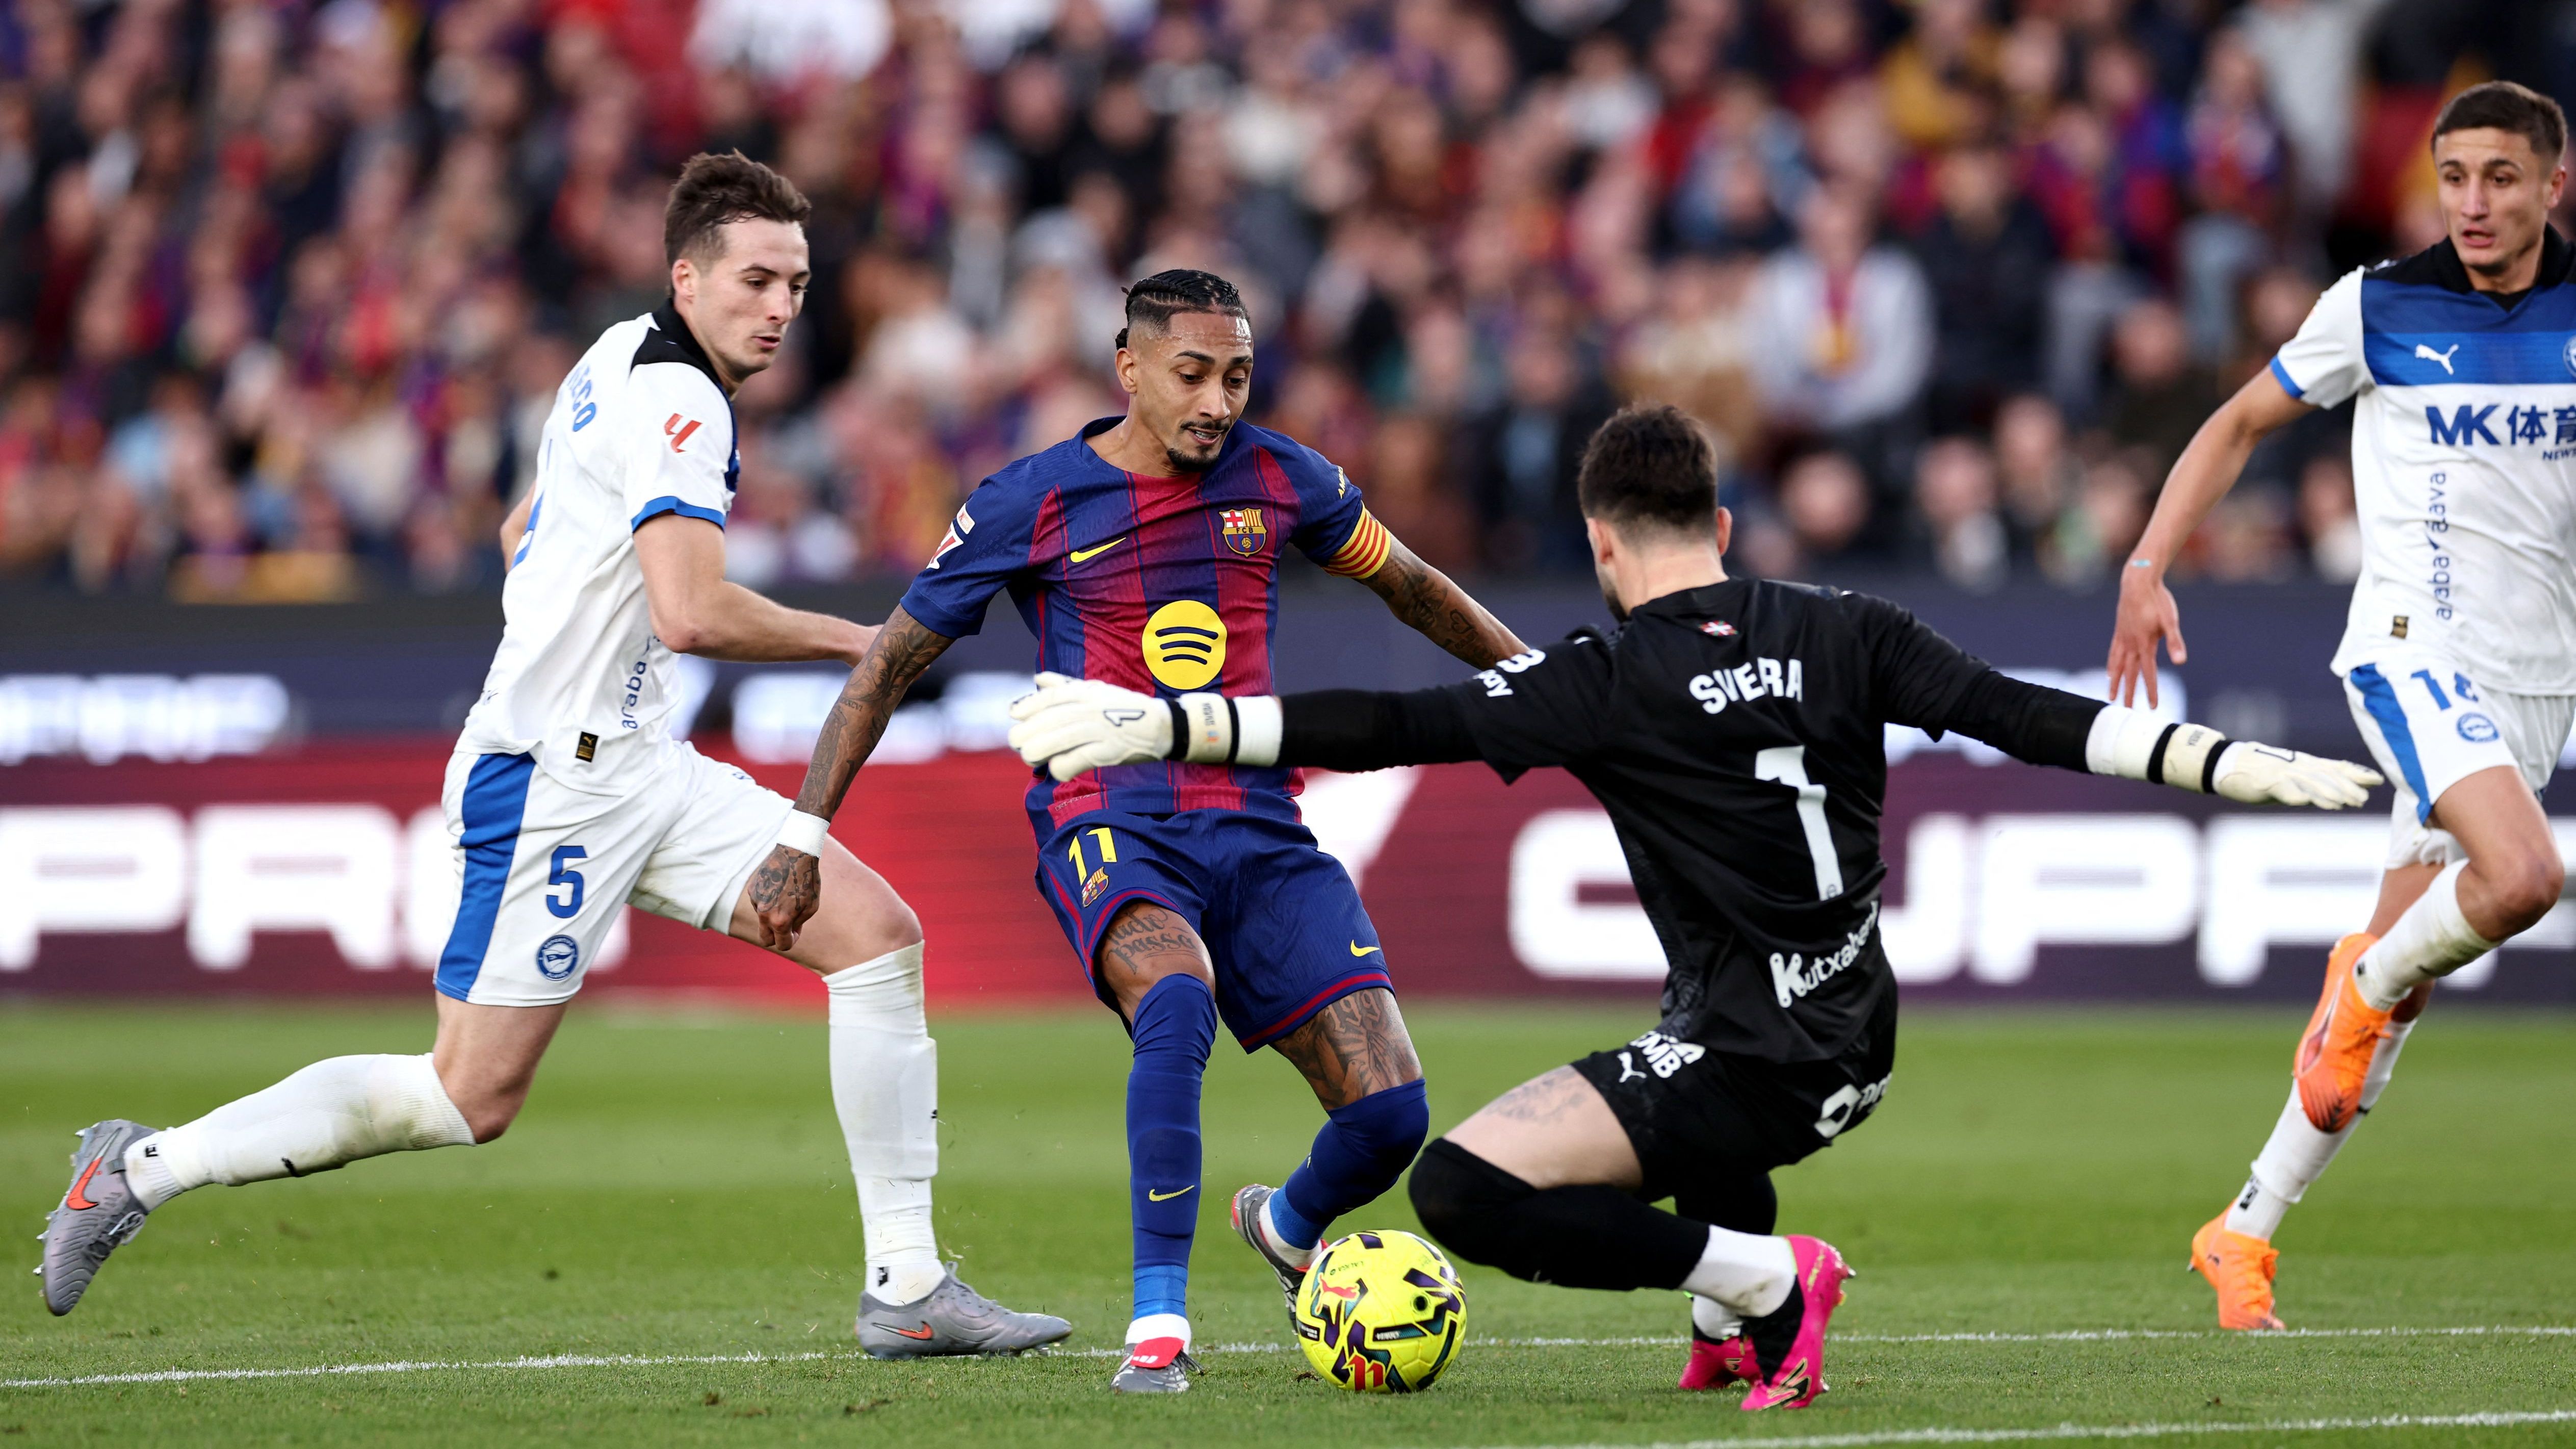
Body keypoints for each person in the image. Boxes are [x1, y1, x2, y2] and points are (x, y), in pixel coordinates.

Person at [1007, 402, 2381, 1411]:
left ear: (1601, 545)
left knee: (1460, 1187)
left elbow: (1382, 720)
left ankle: (1767, 1282)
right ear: (1719, 528)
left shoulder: (1602, 674)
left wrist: (1159, 722)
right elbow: (2027, 719)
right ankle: (1732, 1326)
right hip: (1854, 1038)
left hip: (1754, 1066)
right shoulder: (1848, 626)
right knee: (1671, 1031)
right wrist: (2217, 764)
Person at [40, 152, 1071, 1359]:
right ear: (687, 277)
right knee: (466, 1096)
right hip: (553, 782)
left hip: (639, 759)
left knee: (878, 939)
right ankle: (140, 1166)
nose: (781, 306)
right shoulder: (683, 402)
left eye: (795, 281)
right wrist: (874, 641)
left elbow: (521, 522)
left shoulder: (613, 357)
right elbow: (689, 611)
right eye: (754, 279)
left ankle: (906, 1283)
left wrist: (576, 611)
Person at [742, 269, 1529, 1393]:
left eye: (1239, 376)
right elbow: (890, 661)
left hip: (1258, 819)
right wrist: (802, 830)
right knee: (1176, 998)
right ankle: (1158, 1318)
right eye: (1194, 373)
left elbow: (1410, 587)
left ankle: (1286, 1221)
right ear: (1130, 369)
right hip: (1108, 814)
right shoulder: (1033, 499)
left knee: (1392, 1113)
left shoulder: (1281, 477)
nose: (1218, 400)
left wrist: (1545, 687)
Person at [2107, 81, 2576, 1332]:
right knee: (2522, 877)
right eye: (2454, 175)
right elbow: (2237, 422)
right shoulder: (2376, 304)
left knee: (2401, 1008)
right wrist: (2147, 564)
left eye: (2499, 177)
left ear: (2550, 186)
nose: (2472, 201)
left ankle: (2242, 1228)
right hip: (2413, 650)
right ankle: (2359, 979)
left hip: (2540, 684)